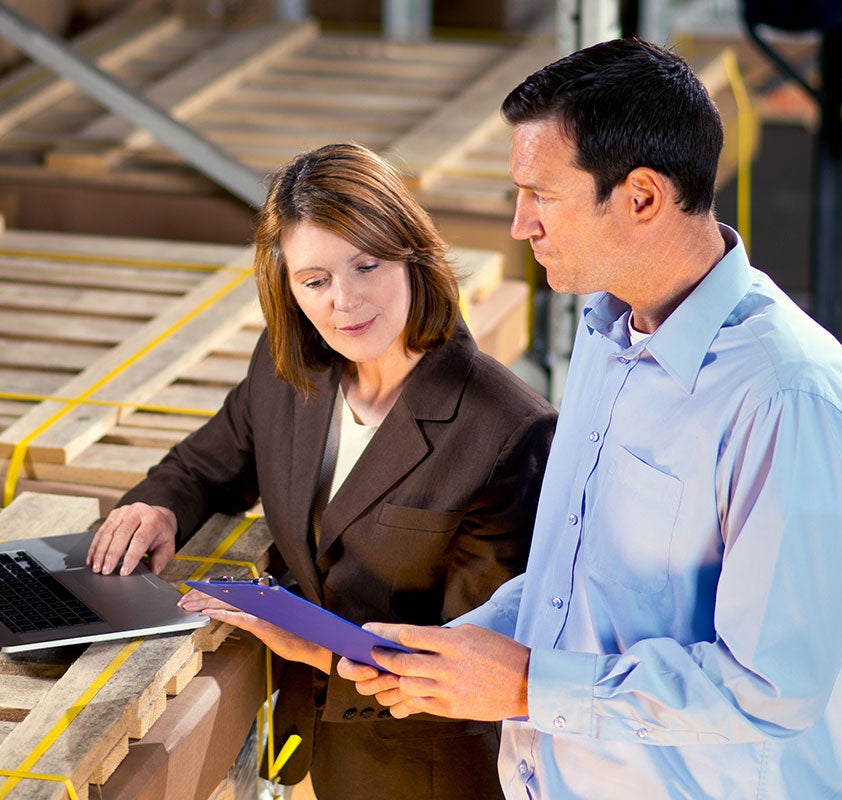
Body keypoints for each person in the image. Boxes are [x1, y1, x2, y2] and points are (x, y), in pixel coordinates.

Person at [338, 39, 842, 798]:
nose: (522, 223)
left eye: (543, 195)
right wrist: (467, 646)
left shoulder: (787, 396)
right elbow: (583, 585)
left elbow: (773, 687)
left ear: (643, 198)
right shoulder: (607, 334)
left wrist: (529, 686)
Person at [87, 143, 556, 800]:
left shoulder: (509, 433)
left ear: (412, 255)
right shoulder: (292, 370)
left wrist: (307, 642)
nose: (345, 301)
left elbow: (464, 672)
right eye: (316, 281)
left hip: (428, 771)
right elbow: (205, 466)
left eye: (366, 265)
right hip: (309, 743)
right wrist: (157, 506)